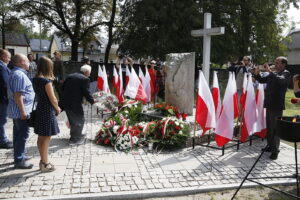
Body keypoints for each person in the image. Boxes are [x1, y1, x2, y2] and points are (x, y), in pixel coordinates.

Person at [253, 56, 290, 160]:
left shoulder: (285, 73)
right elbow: (261, 80)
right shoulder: (273, 74)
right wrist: (257, 73)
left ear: (283, 64)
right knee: (269, 128)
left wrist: (269, 71)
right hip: (269, 103)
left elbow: (281, 81)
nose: (275, 64)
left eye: (278, 63)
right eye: (275, 62)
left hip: (276, 105)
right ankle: (270, 146)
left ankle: (275, 151)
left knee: (275, 128)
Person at [33, 56, 61, 172]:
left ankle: (42, 161)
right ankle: (45, 163)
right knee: (46, 138)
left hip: (40, 109)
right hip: (47, 110)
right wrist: (57, 108)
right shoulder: (46, 81)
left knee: (41, 137)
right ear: (48, 67)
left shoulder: (35, 79)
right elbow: (53, 99)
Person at [7, 54, 35, 169]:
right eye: (27, 61)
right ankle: (19, 160)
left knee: (18, 134)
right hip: (20, 112)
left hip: (18, 111)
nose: (29, 63)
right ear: (21, 62)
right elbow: (18, 95)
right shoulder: (19, 75)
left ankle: (19, 156)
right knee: (22, 135)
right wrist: (23, 112)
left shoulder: (17, 73)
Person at [60, 65, 95, 145]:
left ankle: (77, 135)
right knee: (79, 120)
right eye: (89, 73)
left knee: (73, 120)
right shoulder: (85, 79)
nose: (89, 75)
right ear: (86, 72)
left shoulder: (70, 76)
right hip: (74, 103)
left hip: (65, 101)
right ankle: (74, 140)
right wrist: (92, 101)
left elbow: (62, 87)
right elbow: (86, 92)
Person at [0, 49, 13, 149]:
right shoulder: (2, 67)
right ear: (3, 57)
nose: (9, 59)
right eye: (8, 57)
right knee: (2, 120)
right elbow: (5, 84)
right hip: (2, 99)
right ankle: (3, 141)